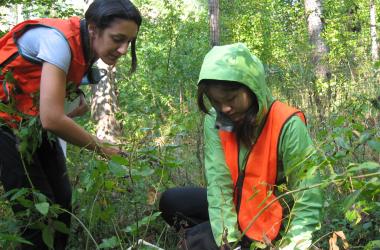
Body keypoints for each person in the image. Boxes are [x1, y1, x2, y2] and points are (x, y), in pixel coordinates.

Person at [0, 0, 142, 249]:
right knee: (37, 214)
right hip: (5, 122)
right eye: (117, 38)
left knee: (62, 204)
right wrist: (102, 148)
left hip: (31, 122)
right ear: (93, 29)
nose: (122, 49)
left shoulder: (87, 48)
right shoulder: (59, 42)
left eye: (129, 42)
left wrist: (74, 99)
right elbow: (52, 118)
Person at [159, 43, 323, 250]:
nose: (225, 108)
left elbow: (308, 197)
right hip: (237, 206)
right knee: (172, 201)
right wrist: (228, 242)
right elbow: (219, 183)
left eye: (231, 99)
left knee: (200, 241)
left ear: (252, 87)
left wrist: (293, 245)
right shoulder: (215, 120)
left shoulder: (288, 124)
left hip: (271, 218)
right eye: (216, 102)